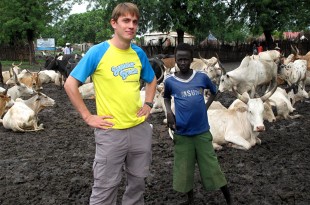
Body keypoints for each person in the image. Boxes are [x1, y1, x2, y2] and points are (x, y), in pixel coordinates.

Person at [64, 2, 157, 205]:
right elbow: (70, 84)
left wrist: (148, 104)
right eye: (125, 20)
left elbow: (151, 80)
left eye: (135, 21)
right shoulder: (98, 52)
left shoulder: (138, 53)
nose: (131, 26)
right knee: (105, 188)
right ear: (114, 23)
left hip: (139, 129)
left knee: (138, 184)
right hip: (110, 132)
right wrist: (88, 116)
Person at [163, 43, 232, 205]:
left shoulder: (201, 77)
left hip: (201, 133)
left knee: (212, 167)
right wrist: (169, 112)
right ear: (175, 60)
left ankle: (229, 199)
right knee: (185, 170)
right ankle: (190, 200)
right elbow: (166, 97)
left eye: (186, 59)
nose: (183, 63)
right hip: (182, 134)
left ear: (191, 60)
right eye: (180, 60)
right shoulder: (170, 81)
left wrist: (205, 107)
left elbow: (214, 92)